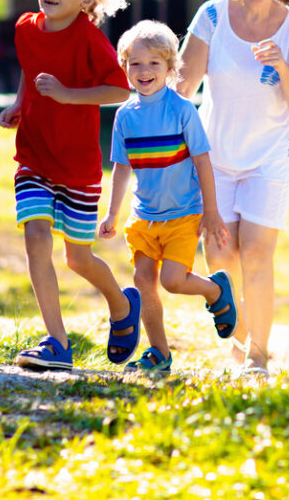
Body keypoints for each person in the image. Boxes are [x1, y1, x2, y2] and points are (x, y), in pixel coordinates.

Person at [177, 0, 289, 376]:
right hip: (213, 158)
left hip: (269, 158)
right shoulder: (212, 17)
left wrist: (280, 64)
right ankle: (234, 350)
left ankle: (257, 357)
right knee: (220, 258)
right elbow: (183, 85)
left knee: (256, 254)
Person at [0, 0, 140, 371]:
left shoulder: (89, 38)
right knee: (36, 238)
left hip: (78, 167)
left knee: (77, 257)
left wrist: (67, 94)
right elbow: (29, 67)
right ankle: (56, 343)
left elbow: (119, 89)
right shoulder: (25, 28)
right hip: (35, 158)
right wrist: (20, 103)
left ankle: (121, 305)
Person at [97, 21, 237, 375]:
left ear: (170, 67)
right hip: (144, 217)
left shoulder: (182, 110)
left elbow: (203, 161)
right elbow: (122, 168)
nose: (145, 72)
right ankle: (159, 353)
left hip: (183, 214)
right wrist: (113, 213)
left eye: (154, 64)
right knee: (144, 282)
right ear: (125, 67)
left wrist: (211, 211)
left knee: (173, 281)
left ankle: (215, 291)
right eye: (136, 64)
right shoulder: (125, 116)